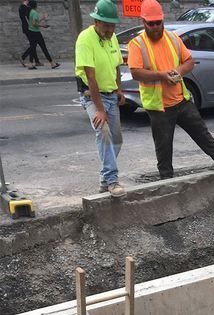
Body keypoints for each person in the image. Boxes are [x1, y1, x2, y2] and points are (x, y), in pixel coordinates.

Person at [127, 0, 214, 180]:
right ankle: (167, 180)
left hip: (180, 99)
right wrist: (163, 76)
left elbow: (189, 61)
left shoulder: (172, 38)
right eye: (152, 24)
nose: (156, 27)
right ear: (144, 22)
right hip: (159, 106)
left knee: (202, 133)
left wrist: (178, 72)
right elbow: (136, 73)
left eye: (159, 23)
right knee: (164, 146)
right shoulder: (137, 44)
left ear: (163, 20)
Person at [75, 0, 126, 197]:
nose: (111, 29)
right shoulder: (85, 39)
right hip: (92, 96)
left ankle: (104, 180)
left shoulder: (111, 38)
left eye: (113, 25)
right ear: (96, 21)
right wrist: (100, 110)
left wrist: (119, 89)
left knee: (117, 140)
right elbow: (90, 77)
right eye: (107, 25)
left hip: (111, 94)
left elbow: (116, 67)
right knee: (103, 132)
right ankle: (112, 181)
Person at [26, 0, 60, 70]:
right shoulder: (35, 13)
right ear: (35, 5)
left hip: (31, 31)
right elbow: (34, 24)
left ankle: (30, 64)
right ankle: (52, 63)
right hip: (36, 32)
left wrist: (43, 18)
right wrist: (43, 26)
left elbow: (34, 22)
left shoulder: (30, 12)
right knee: (43, 47)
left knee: (33, 47)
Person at [19, 0, 40, 68]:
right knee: (33, 44)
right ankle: (23, 57)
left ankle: (37, 61)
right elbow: (28, 18)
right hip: (28, 28)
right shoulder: (24, 7)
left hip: (26, 27)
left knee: (33, 43)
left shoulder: (22, 7)